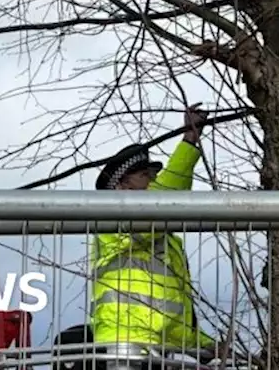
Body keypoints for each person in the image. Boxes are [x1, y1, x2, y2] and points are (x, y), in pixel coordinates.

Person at [86, 106, 225, 365]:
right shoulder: (112, 217)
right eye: (144, 176)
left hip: (153, 347)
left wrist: (204, 345)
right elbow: (167, 197)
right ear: (121, 185)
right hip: (125, 344)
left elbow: (167, 312)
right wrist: (189, 140)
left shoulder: (161, 238)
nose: (152, 182)